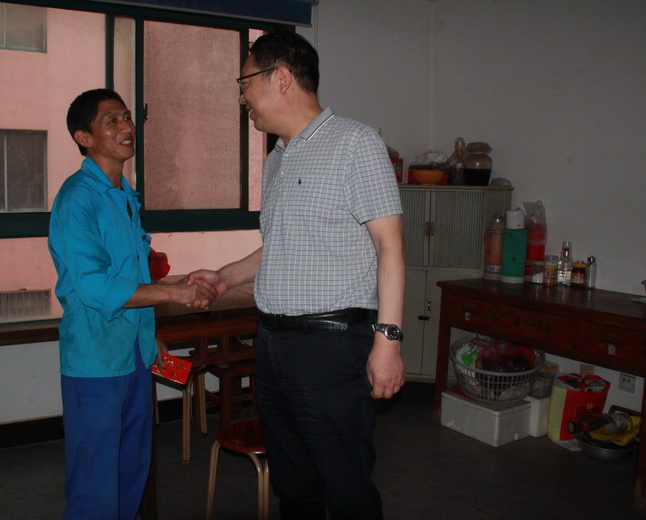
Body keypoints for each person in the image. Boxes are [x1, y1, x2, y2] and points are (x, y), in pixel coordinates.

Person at [189, 33, 405, 519]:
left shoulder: (355, 143)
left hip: (332, 347)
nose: (241, 96)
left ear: (281, 78)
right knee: (294, 484)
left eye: (245, 82)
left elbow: (390, 245)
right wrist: (224, 276)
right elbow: (284, 245)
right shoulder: (277, 159)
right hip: (274, 344)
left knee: (345, 485)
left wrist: (388, 342)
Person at [48, 88, 217, 519]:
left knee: (131, 471)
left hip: (136, 357)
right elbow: (95, 287)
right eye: (112, 120)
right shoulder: (78, 198)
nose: (126, 127)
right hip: (96, 364)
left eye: (127, 117)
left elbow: (133, 276)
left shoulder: (124, 195)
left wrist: (149, 336)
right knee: (95, 482)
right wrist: (176, 292)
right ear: (84, 137)